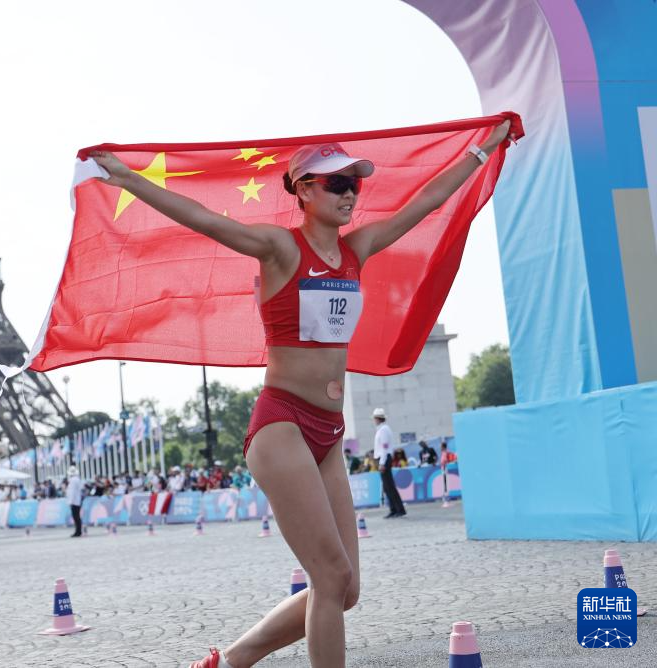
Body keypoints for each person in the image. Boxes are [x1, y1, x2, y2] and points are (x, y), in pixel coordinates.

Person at [91, 119, 510, 668]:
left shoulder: (357, 248)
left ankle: (232, 661)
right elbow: (204, 219)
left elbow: (427, 202)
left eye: (354, 183)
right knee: (330, 576)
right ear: (304, 189)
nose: (349, 193)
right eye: (336, 183)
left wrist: (482, 150)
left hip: (329, 433)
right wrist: (129, 178)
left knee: (345, 588)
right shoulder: (279, 247)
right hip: (282, 426)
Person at [374, 409, 406, 519]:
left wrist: (382, 462)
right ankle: (393, 509)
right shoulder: (382, 429)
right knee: (387, 487)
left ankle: (398, 509)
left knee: (389, 486)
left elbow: (384, 447)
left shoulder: (383, 430)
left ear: (378, 418)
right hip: (384, 458)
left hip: (384, 458)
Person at [67, 466, 84, 537]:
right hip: (77, 500)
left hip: (74, 501)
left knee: (76, 517)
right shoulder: (77, 479)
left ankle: (78, 531)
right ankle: (78, 531)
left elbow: (72, 492)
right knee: (77, 517)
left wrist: (70, 502)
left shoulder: (73, 480)